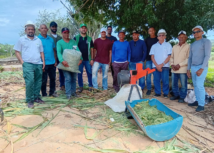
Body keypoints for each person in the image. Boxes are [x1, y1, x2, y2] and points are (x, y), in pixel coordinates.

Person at [14, 21, 45, 108]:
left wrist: (43, 62)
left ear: (34, 30)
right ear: (25, 30)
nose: (30, 31)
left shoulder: (38, 40)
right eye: (29, 29)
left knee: (38, 82)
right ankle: (30, 100)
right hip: (27, 64)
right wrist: (22, 62)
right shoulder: (21, 39)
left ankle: (36, 97)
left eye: (32, 29)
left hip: (38, 63)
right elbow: (17, 51)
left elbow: (41, 52)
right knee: (30, 81)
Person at [187, 26, 211, 112]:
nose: (195, 33)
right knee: (195, 85)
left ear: (202, 32)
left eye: (198, 31)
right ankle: (197, 101)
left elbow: (207, 56)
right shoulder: (192, 44)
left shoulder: (206, 41)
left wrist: (201, 68)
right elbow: (190, 58)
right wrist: (188, 69)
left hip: (201, 67)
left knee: (200, 85)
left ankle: (201, 104)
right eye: (194, 32)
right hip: (193, 67)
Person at [57, 27, 82, 99]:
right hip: (65, 64)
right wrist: (62, 61)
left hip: (73, 64)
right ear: (62, 33)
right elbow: (58, 52)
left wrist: (81, 58)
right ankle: (68, 94)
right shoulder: (59, 42)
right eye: (65, 33)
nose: (66, 34)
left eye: (67, 32)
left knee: (74, 78)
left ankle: (73, 92)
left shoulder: (73, 42)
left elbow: (77, 50)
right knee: (68, 78)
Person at [150, 29, 172, 98]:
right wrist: (157, 66)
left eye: (163, 35)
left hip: (165, 66)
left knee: (165, 81)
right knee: (156, 80)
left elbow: (169, 56)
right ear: (157, 37)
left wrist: (161, 65)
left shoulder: (168, 45)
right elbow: (152, 57)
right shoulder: (154, 46)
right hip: (155, 66)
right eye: (160, 35)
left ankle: (165, 93)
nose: (161, 36)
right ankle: (157, 93)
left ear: (165, 36)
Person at [170, 31, 190, 103]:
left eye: (183, 37)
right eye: (180, 37)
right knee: (174, 84)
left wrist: (179, 65)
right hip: (174, 69)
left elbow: (188, 59)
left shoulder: (188, 46)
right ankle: (176, 95)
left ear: (186, 37)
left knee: (183, 84)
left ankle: (182, 97)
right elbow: (171, 57)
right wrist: (172, 64)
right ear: (178, 38)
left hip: (183, 69)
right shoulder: (174, 46)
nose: (181, 38)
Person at [38, 24, 58, 97]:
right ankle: (44, 94)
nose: (43, 29)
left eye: (45, 28)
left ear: (47, 29)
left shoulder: (51, 39)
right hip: (43, 63)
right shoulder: (37, 39)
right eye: (42, 28)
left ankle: (52, 92)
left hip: (52, 62)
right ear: (39, 30)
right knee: (44, 80)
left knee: (53, 78)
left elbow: (54, 50)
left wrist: (55, 61)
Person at [74, 23, 94, 93]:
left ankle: (90, 86)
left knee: (89, 72)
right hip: (79, 59)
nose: (83, 29)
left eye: (85, 28)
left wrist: (92, 59)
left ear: (86, 29)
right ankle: (80, 86)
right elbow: (74, 48)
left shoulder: (89, 38)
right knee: (79, 73)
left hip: (87, 59)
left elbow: (92, 49)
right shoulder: (76, 38)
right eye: (82, 28)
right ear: (80, 29)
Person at [49, 21, 65, 91]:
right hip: (52, 57)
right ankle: (53, 88)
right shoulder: (48, 37)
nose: (54, 28)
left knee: (62, 71)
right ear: (50, 28)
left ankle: (62, 85)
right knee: (52, 74)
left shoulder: (60, 37)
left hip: (60, 57)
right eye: (53, 27)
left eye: (55, 27)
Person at [144, 27, 158, 95]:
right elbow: (144, 49)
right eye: (150, 31)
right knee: (148, 75)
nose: (151, 32)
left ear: (154, 31)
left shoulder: (157, 39)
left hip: (156, 60)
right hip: (149, 60)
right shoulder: (146, 39)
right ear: (148, 32)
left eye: (152, 30)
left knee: (156, 75)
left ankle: (156, 89)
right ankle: (149, 89)